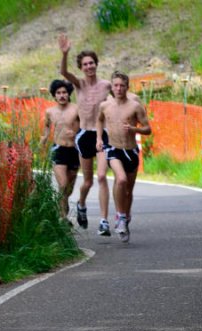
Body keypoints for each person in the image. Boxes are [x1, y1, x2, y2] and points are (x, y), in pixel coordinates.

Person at [58, 33, 112, 233]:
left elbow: (120, 99)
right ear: (81, 68)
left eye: (92, 63)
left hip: (103, 134)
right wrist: (65, 53)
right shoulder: (79, 85)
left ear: (96, 64)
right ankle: (81, 204)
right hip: (84, 135)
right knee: (88, 181)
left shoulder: (106, 85)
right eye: (86, 64)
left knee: (101, 177)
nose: (89, 67)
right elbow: (64, 72)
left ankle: (104, 221)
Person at [96, 71, 152, 243]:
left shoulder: (135, 106)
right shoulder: (105, 106)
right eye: (116, 85)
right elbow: (99, 121)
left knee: (128, 190)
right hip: (113, 149)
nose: (119, 88)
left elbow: (148, 129)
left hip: (131, 151)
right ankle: (120, 215)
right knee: (120, 180)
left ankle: (125, 218)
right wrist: (99, 138)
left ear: (127, 87)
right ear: (111, 87)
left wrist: (134, 129)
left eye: (122, 85)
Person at [40, 79, 81, 222]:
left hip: (74, 151)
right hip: (58, 150)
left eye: (64, 92)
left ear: (68, 94)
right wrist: (43, 142)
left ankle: (63, 206)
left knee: (68, 189)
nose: (62, 95)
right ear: (54, 95)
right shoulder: (49, 112)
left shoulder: (76, 109)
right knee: (62, 185)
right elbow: (46, 128)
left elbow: (87, 128)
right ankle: (63, 218)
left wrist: (77, 133)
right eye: (58, 93)